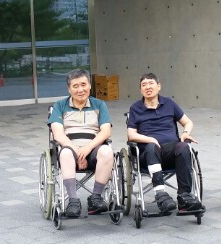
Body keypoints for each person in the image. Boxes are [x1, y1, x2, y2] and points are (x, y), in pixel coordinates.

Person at [127, 73, 204, 213]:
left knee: (183, 146)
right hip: (147, 155)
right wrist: (150, 140)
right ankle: (161, 195)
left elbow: (188, 122)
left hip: (169, 154)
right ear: (140, 90)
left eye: (151, 83)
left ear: (159, 86)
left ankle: (184, 196)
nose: (147, 87)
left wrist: (185, 133)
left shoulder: (169, 103)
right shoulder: (135, 108)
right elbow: (131, 135)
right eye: (144, 85)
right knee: (151, 147)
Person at [47, 69, 114, 218]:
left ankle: (96, 198)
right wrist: (78, 151)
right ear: (69, 89)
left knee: (107, 151)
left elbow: (105, 131)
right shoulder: (59, 106)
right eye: (75, 86)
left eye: (83, 84)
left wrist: (87, 148)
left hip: (93, 149)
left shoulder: (99, 105)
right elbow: (58, 134)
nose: (80, 89)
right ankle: (73, 201)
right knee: (65, 152)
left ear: (90, 85)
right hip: (70, 149)